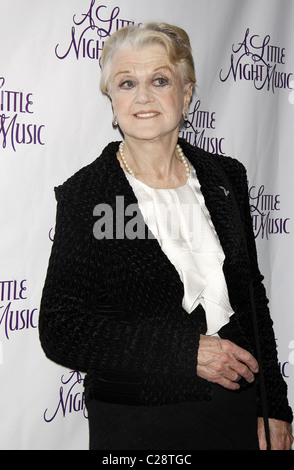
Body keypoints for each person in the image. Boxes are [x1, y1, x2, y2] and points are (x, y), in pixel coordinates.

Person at [39, 22, 293, 450]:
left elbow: (251, 297)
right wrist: (183, 352)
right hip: (139, 427)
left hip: (236, 415)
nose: (142, 96)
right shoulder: (90, 195)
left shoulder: (224, 177)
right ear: (112, 99)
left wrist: (274, 406)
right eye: (126, 83)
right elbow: (62, 329)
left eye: (159, 80)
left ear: (186, 93)